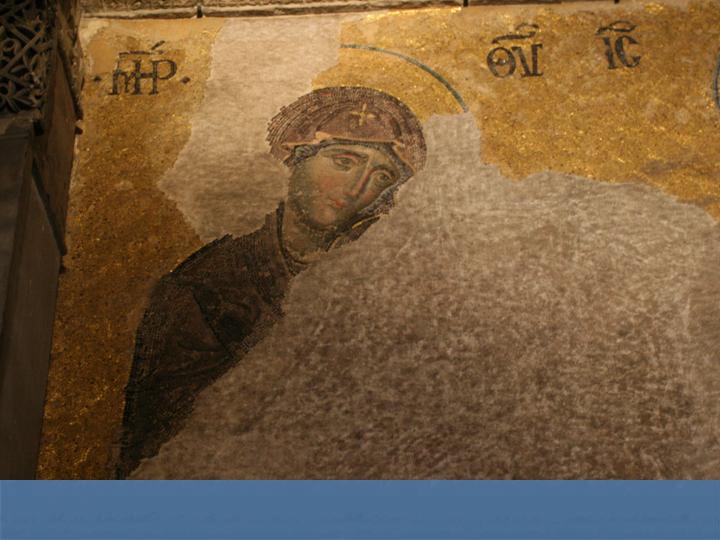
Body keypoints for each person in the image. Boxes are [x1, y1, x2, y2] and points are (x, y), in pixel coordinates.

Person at [116, 86, 426, 478]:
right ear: (296, 158)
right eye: (343, 162)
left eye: (381, 176)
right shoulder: (207, 286)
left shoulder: (374, 283)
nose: (355, 189)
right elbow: (161, 435)